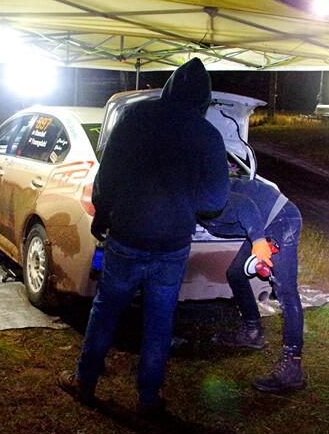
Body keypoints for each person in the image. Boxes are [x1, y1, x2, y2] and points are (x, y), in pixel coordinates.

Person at [58, 58, 230, 412]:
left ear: (169, 88)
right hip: (173, 245)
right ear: (205, 99)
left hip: (128, 235)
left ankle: (85, 382)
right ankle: (148, 399)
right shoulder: (209, 135)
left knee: (106, 310)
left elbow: (107, 178)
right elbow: (215, 201)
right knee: (159, 321)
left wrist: (102, 215)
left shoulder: (135, 118)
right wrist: (184, 201)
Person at [200, 175, 306, 393]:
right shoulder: (188, 201)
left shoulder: (204, 197)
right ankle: (252, 333)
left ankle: (292, 368)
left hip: (280, 218)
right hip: (261, 221)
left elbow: (245, 206)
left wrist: (258, 241)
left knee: (285, 291)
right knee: (236, 273)